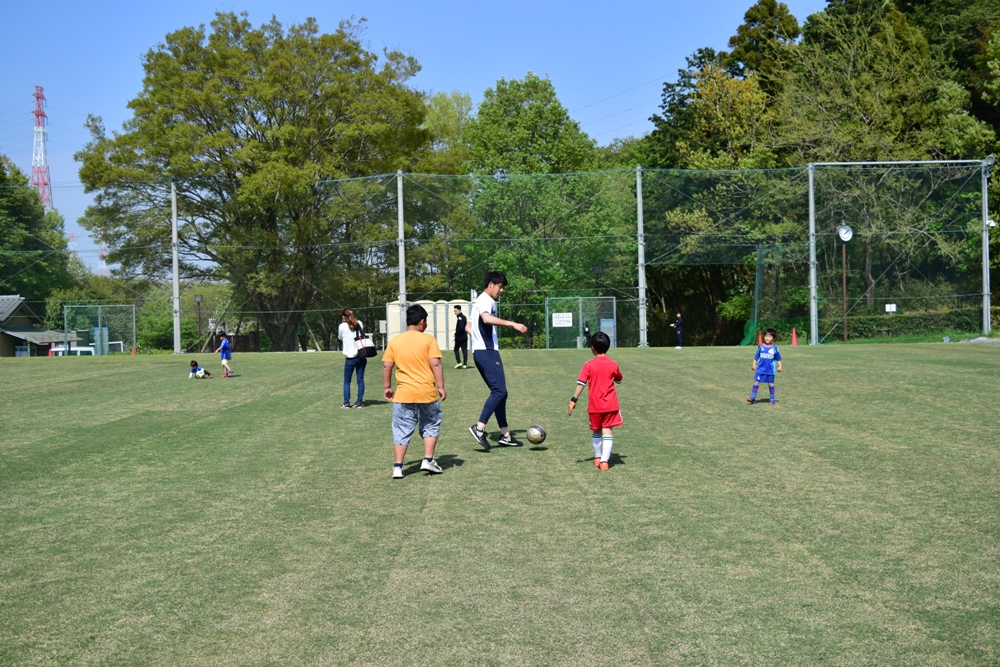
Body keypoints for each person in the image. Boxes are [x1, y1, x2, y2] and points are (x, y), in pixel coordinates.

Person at [383, 304, 446, 479]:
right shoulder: (428, 340)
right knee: (431, 425)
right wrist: (440, 386)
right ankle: (428, 459)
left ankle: (398, 467)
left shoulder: (395, 341)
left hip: (403, 395)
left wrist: (387, 387)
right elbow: (435, 363)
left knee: (401, 429)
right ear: (422, 322)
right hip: (427, 393)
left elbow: (387, 365)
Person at [468, 271, 529, 450]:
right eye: (500, 286)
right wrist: (513, 324)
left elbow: (468, 326)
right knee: (499, 391)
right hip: (486, 352)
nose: (501, 290)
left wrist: (476, 339)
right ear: (491, 284)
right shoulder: (486, 299)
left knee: (501, 392)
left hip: (482, 351)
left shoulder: (480, 300)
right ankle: (479, 427)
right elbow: (486, 319)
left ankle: (505, 434)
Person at [568, 331, 623, 471]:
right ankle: (605, 461)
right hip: (610, 405)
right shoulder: (613, 364)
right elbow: (619, 379)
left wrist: (573, 399)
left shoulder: (588, 365)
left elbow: (581, 383)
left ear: (592, 348)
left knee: (596, 432)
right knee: (607, 431)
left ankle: (598, 457)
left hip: (594, 406)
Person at [337, 308, 368, 409]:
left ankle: (346, 403)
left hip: (350, 358)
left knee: (347, 381)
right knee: (360, 380)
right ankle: (359, 402)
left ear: (345, 316)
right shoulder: (359, 323)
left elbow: (340, 337)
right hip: (361, 356)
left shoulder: (342, 326)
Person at [748, 328, 782, 405]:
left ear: (773, 338)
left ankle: (772, 399)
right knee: (756, 382)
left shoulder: (774, 348)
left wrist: (780, 366)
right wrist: (754, 364)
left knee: (770, 384)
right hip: (760, 369)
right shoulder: (760, 347)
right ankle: (752, 398)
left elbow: (778, 358)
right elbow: (756, 357)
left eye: (770, 336)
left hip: (770, 370)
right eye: (766, 336)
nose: (767, 338)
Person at [453, 304, 468, 369]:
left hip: (460, 337)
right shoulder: (464, 317)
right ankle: (465, 364)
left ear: (459, 310)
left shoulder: (460, 317)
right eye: (454, 311)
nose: (455, 312)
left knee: (456, 349)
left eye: (456, 311)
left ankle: (459, 363)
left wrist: (456, 333)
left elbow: (461, 327)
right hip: (464, 337)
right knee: (464, 350)